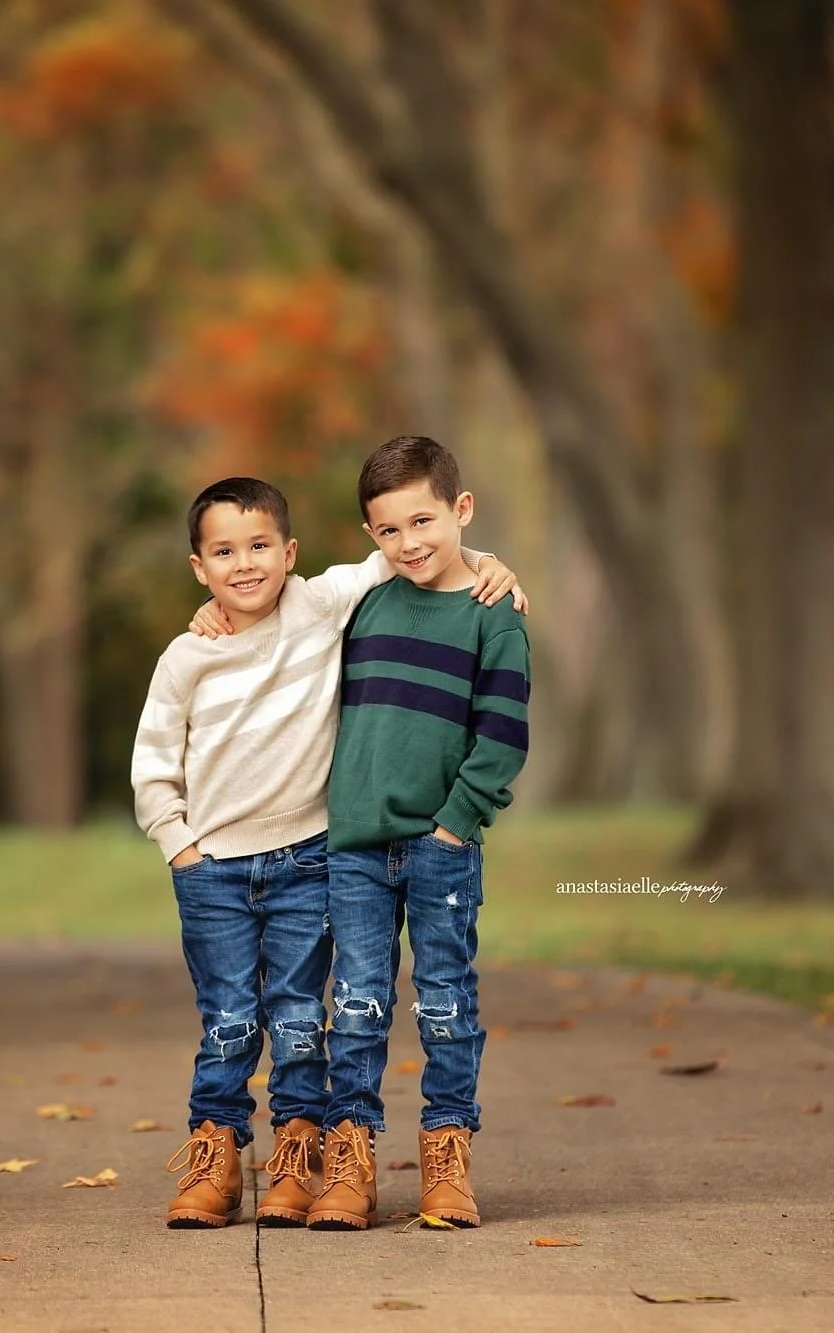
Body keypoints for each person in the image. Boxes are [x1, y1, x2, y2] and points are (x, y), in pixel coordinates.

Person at [132, 475, 521, 1228]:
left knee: (302, 1017)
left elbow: (413, 552)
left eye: (259, 546)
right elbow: (153, 761)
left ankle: (299, 1155)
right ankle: (216, 1154)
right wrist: (179, 845)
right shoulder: (187, 655)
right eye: (223, 552)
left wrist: (489, 562)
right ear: (199, 568)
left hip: (308, 856)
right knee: (228, 1018)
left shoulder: (319, 604)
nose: (244, 564)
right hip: (211, 866)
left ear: (290, 553)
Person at [305, 436, 531, 1232]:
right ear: (371, 535)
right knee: (356, 1004)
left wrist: (453, 827)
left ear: (461, 508)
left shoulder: (495, 616)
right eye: (389, 530)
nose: (409, 542)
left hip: (442, 848)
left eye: (423, 520)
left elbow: (502, 736)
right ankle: (350, 1159)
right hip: (356, 847)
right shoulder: (363, 603)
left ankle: (446, 1156)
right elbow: (275, 621)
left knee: (445, 1003)